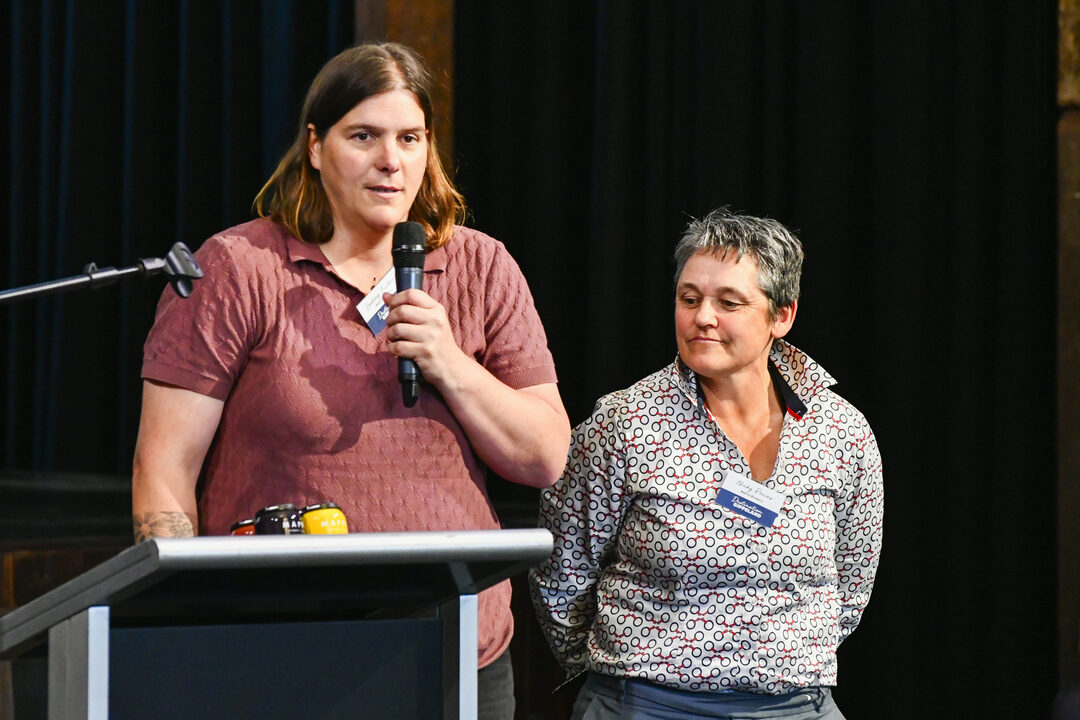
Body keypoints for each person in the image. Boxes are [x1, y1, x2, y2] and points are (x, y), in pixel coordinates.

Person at [131, 42, 571, 720]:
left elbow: (543, 457)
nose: (391, 160)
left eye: (410, 138)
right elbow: (164, 467)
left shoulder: (481, 268)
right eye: (364, 136)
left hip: (458, 653)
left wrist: (450, 363)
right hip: (281, 651)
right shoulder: (239, 268)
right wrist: (186, 617)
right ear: (315, 146)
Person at [529, 208, 883, 719]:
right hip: (646, 703)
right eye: (689, 299)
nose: (703, 318)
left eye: (729, 302)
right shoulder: (625, 423)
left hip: (795, 707)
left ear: (782, 316)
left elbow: (850, 583)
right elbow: (562, 574)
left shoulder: (840, 430)